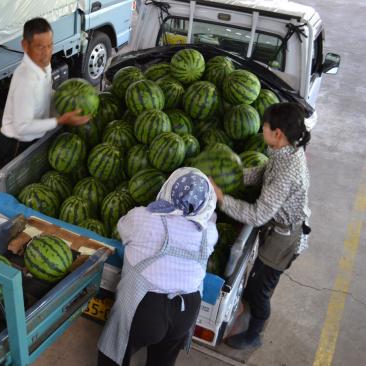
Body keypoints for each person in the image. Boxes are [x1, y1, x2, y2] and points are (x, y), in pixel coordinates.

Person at [209, 102, 312, 350]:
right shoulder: (285, 152)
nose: (261, 130)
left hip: (284, 236)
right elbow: (263, 172)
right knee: (257, 280)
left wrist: (222, 198)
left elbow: (257, 215)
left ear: (278, 133)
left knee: (260, 289)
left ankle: (254, 333)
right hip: (277, 227)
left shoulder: (289, 170)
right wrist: (233, 176)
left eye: (264, 127)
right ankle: (250, 311)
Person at [98, 167, 219, 366]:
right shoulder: (210, 233)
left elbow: (122, 228)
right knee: (163, 361)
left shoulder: (141, 218)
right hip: (187, 309)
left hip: (146, 309)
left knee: (114, 354)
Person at [0, 17, 90, 167]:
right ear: (25, 46)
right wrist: (61, 120)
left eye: (50, 45)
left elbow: (45, 93)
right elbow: (23, 127)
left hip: (35, 135)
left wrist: (70, 102)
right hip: (17, 142)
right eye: (40, 47)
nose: (47, 53)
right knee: (18, 187)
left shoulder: (44, 65)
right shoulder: (25, 80)